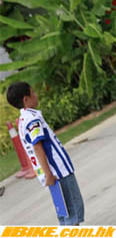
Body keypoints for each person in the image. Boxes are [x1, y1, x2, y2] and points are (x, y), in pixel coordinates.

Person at [6, 82, 84, 226]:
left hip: (54, 172)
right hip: (58, 172)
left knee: (66, 215)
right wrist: (48, 174)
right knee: (72, 215)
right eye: (33, 92)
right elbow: (37, 147)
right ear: (26, 99)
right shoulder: (32, 120)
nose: (36, 95)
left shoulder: (24, 119)